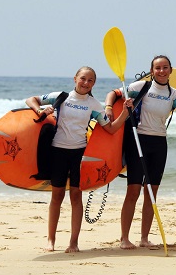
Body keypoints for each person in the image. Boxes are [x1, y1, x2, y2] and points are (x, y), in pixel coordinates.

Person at [104, 55, 176, 250]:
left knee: (152, 193)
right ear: (152, 71)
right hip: (138, 140)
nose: (161, 71)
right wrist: (109, 108)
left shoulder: (174, 94)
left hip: (159, 143)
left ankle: (144, 237)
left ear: (170, 70)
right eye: (157, 68)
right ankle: (124, 237)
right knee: (133, 191)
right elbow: (113, 93)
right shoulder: (140, 87)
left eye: (165, 67)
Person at [25, 66, 131, 253]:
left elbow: (111, 129)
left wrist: (124, 112)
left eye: (90, 80)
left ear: (94, 84)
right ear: (75, 78)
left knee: (76, 196)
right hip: (57, 151)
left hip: (79, 154)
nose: (85, 83)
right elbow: (30, 99)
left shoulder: (94, 105)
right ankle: (51, 240)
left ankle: (73, 242)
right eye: (83, 78)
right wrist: (40, 110)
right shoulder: (61, 97)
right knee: (56, 196)